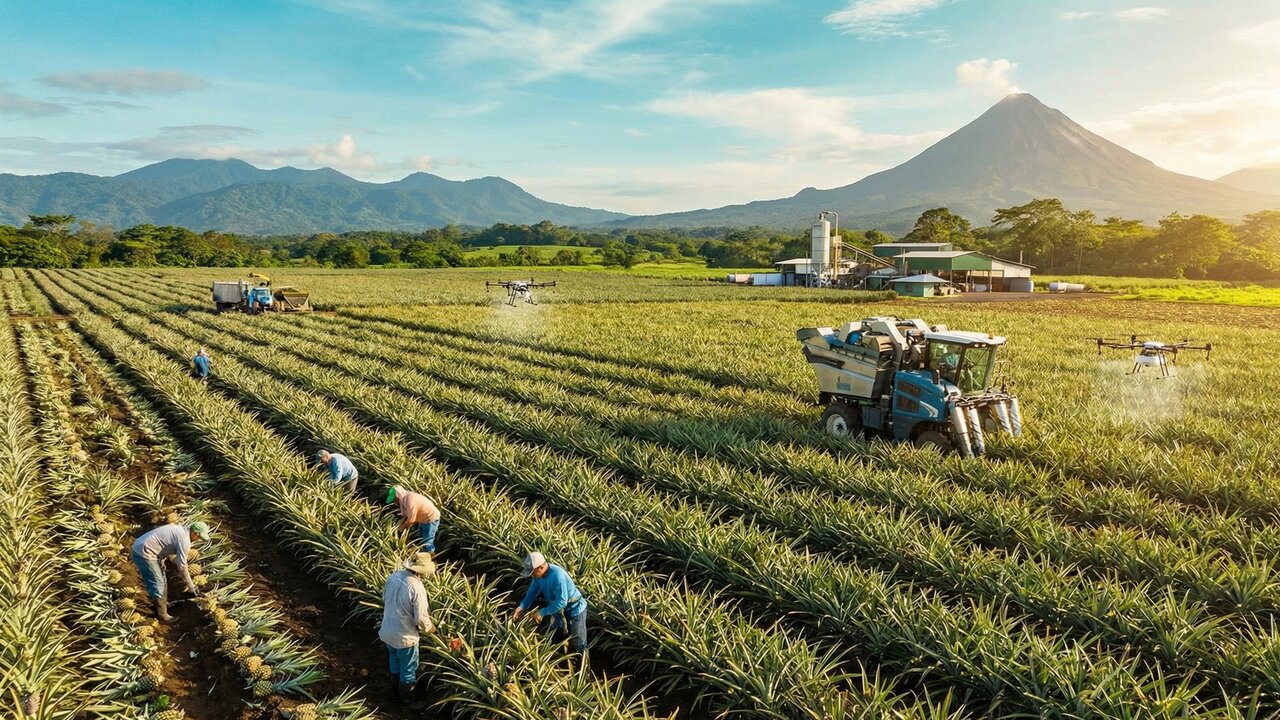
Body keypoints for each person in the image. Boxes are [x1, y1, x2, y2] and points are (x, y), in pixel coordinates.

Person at [511, 551, 588, 667]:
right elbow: (532, 592)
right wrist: (521, 607)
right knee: (557, 633)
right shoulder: (539, 576)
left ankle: (584, 673)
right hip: (557, 609)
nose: (532, 575)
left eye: (532, 572)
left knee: (579, 642)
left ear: (540, 568)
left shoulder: (558, 576)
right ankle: (564, 659)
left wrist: (542, 612)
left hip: (575, 609)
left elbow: (562, 601)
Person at [379, 552, 436, 704]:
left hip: (388, 630)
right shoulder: (417, 587)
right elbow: (421, 618)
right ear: (421, 571)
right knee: (408, 669)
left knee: (394, 661)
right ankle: (407, 701)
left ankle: (394, 695)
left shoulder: (393, 576)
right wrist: (430, 628)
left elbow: (384, 598)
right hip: (405, 636)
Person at [131, 521, 209, 622]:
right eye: (199, 537)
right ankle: (162, 615)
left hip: (145, 547)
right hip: (144, 553)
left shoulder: (180, 529)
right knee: (158, 583)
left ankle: (163, 604)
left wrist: (162, 560)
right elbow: (182, 566)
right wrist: (191, 586)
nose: (198, 540)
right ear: (195, 533)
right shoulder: (184, 540)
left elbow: (164, 542)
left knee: (163, 579)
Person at [387, 485, 441, 554]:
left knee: (427, 542)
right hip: (422, 519)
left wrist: (401, 529)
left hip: (430, 519)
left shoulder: (410, 500)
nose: (394, 502)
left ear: (398, 496)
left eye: (394, 500)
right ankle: (424, 556)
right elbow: (407, 517)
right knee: (422, 538)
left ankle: (431, 559)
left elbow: (411, 520)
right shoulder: (404, 500)